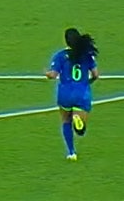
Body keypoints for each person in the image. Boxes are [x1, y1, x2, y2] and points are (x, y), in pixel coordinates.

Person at [45, 28, 99, 161]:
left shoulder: (60, 56)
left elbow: (53, 75)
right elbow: (95, 74)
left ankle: (71, 152)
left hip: (65, 94)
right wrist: (90, 81)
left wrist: (47, 73)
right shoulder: (87, 55)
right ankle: (78, 121)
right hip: (82, 93)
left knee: (65, 121)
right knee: (81, 131)